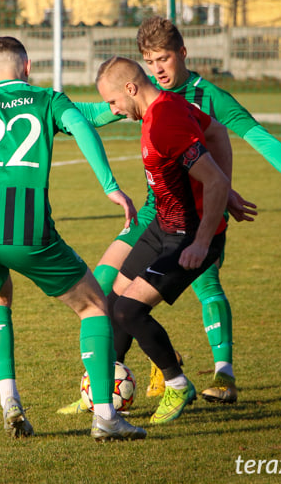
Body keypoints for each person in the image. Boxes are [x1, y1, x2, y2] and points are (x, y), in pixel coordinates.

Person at [58, 16, 281, 415]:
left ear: (182, 53)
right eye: (150, 61)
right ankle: (102, 388)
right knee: (104, 288)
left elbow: (252, 134)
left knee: (205, 283)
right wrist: (41, 103)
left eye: (164, 58)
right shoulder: (142, 98)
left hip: (194, 215)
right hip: (154, 212)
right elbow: (94, 112)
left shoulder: (204, 97)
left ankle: (223, 373)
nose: (159, 68)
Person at [0, 36, 147, 442]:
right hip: (27, 227)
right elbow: (80, 120)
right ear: (28, 67)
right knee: (94, 306)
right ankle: (107, 418)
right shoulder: (47, 99)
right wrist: (110, 185)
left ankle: (9, 401)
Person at [94, 56, 233, 424]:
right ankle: (103, 387)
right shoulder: (169, 105)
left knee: (129, 311)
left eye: (112, 102)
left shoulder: (165, 123)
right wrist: (224, 185)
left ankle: (177, 383)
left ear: (130, 88)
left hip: (187, 235)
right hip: (162, 225)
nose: (114, 110)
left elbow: (215, 180)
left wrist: (203, 241)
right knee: (113, 302)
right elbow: (216, 132)